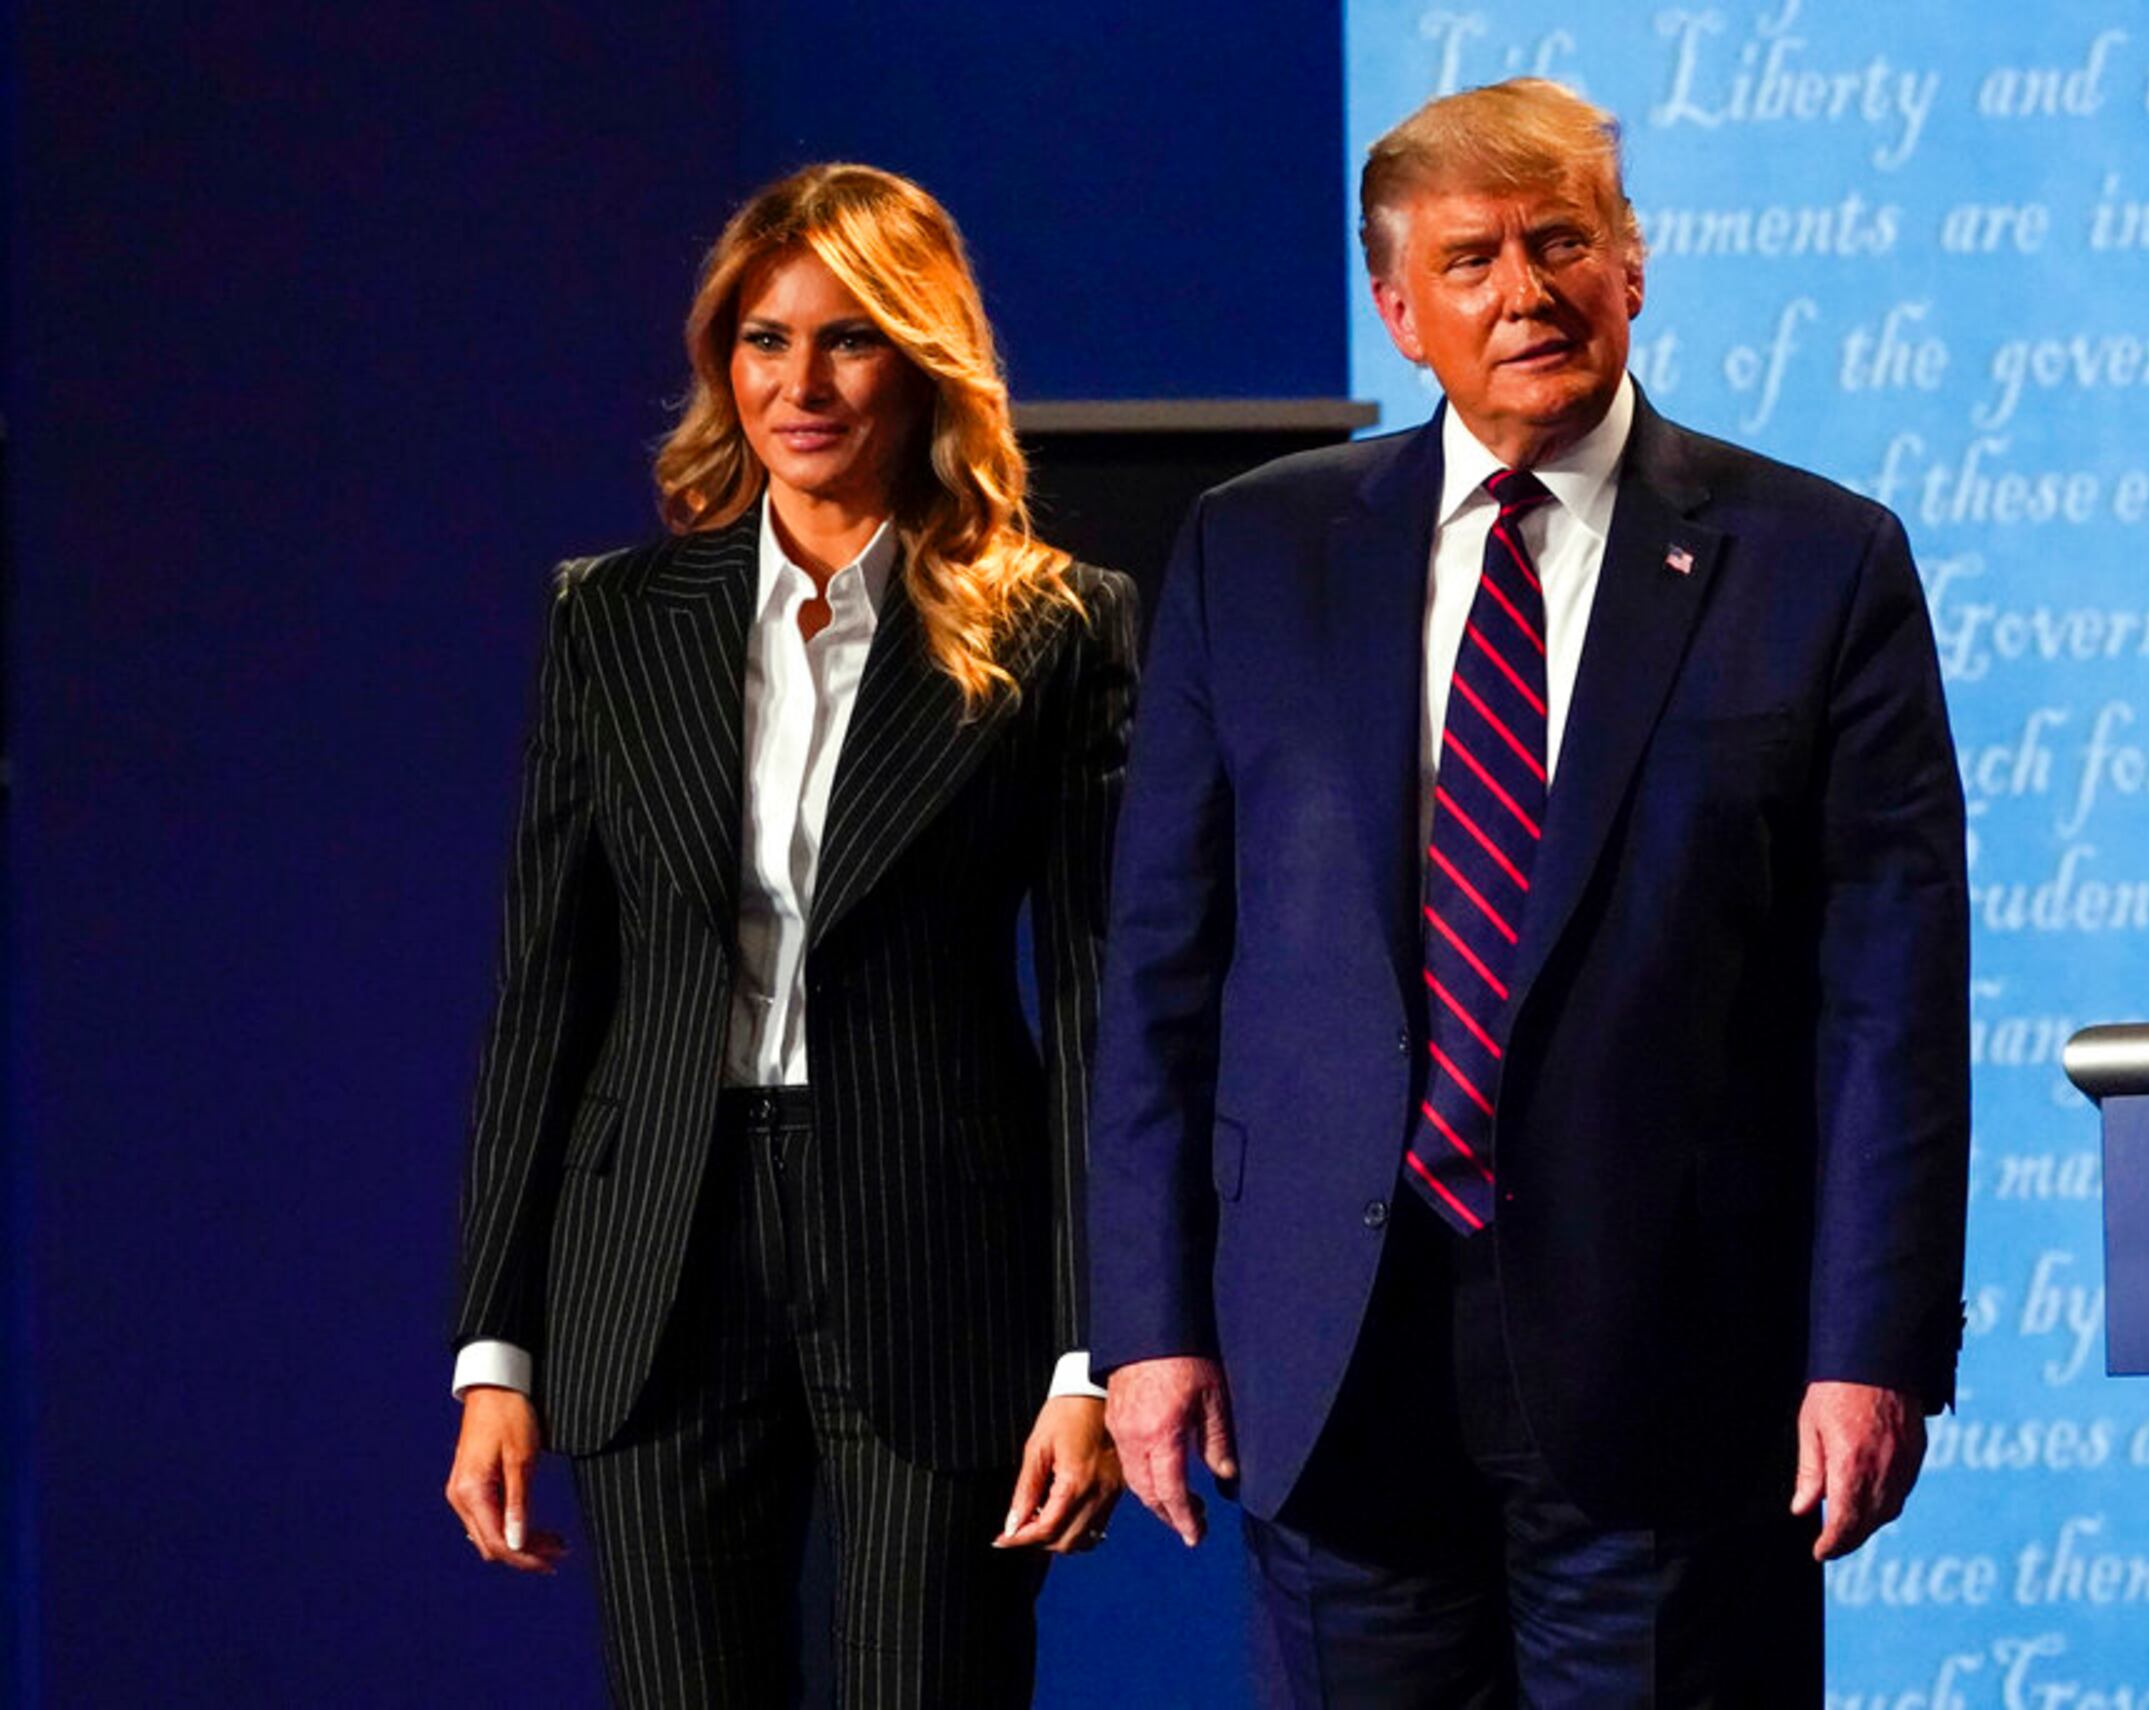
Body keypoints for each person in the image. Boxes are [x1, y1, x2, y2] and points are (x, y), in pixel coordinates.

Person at [1090, 79, 1968, 1703]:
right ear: (1399, 309)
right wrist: (1140, 1322)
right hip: (1336, 1358)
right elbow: (1162, 972)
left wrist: (1872, 1344)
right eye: (1474, 255)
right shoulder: (1254, 553)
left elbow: (1889, 1007)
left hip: (1682, 1373)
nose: (1526, 289)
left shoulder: (1818, 560)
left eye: (1564, 240)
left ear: (1633, 268)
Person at [442, 163, 1134, 1708]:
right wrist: (495, 1349)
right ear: (722, 365)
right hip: (657, 1255)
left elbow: (1100, 1009)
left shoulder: (1060, 625)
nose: (799, 383)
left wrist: (1092, 1354)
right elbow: (546, 993)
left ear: (924, 358)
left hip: (939, 1246)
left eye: (849, 340)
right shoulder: (613, 619)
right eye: (763, 340)